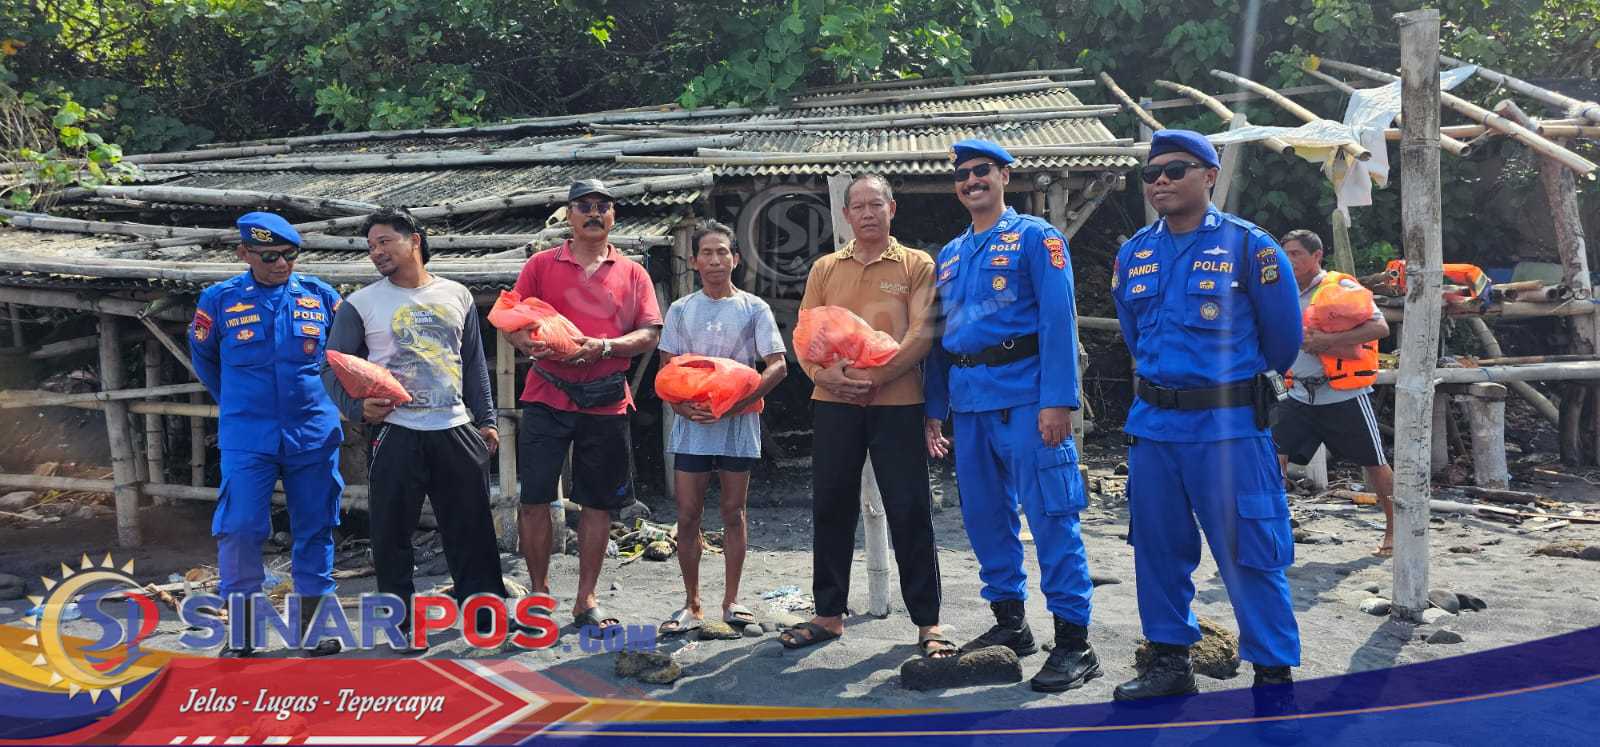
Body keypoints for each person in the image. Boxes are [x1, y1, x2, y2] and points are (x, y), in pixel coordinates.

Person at [1110, 130, 1304, 701]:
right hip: (1154, 428)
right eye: (1152, 174)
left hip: (1230, 430)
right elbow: (1133, 335)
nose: (1162, 181)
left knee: (1250, 550)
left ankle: (1272, 674)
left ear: (1210, 175)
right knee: (1157, 549)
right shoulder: (1134, 254)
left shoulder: (1252, 248)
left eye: (1176, 170)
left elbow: (1282, 344)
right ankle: (1169, 662)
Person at [924, 140, 1099, 690]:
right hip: (969, 403)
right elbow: (938, 342)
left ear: (1004, 176)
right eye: (963, 175)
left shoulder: (1035, 239)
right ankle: (1011, 626)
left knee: (1051, 515)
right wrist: (934, 411)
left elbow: (1057, 321)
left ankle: (1075, 643)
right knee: (984, 519)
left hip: (1027, 399)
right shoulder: (950, 255)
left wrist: (1059, 401)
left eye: (982, 172)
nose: (971, 181)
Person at [778, 174, 953, 659]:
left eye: (877, 204)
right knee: (831, 506)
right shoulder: (826, 268)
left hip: (898, 402)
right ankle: (828, 615)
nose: (868, 213)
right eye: (859, 206)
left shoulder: (917, 264)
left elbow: (923, 334)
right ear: (846, 215)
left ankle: (928, 622)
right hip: (833, 403)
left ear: (892, 209)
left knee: (910, 509)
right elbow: (804, 334)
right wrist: (823, 373)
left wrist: (878, 376)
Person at [321, 207, 508, 649]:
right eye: (370, 247)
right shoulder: (360, 304)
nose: (376, 253)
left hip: (455, 427)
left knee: (472, 528)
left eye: (384, 241)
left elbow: (474, 364)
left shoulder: (457, 295)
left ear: (415, 240)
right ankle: (400, 624)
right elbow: (329, 366)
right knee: (391, 531)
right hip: (396, 429)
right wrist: (357, 407)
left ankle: (484, 618)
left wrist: (486, 420)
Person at [508, 179, 662, 632]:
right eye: (584, 206)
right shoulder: (540, 264)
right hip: (546, 393)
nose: (594, 213)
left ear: (613, 216)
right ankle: (538, 596)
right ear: (569, 215)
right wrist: (524, 341)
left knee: (597, 503)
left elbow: (650, 332)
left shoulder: (633, 272)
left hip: (606, 398)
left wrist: (605, 346)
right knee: (534, 498)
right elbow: (511, 317)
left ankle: (586, 598)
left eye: (602, 207)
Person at [190, 211, 345, 657]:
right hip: (247, 436)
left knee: (315, 526)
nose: (281, 264)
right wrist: (240, 403)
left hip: (312, 432)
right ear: (244, 254)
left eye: (289, 255)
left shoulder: (320, 296)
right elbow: (205, 360)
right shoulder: (218, 300)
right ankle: (243, 634)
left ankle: (313, 630)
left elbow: (342, 358)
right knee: (239, 528)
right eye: (270, 256)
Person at [655, 221, 787, 634]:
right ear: (694, 261)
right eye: (707, 253)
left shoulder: (753, 308)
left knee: (734, 511)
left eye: (723, 252)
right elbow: (665, 372)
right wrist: (680, 404)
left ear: (736, 258)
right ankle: (692, 603)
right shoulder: (680, 310)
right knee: (689, 513)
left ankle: (731, 601)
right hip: (693, 424)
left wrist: (737, 403)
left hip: (737, 422)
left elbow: (778, 365)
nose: (715, 260)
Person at [1274, 229, 1394, 556]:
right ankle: (1273, 529)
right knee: (1270, 459)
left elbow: (1379, 327)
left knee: (1375, 464)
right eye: (1285, 254)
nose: (1290, 261)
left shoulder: (1340, 288)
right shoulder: (1281, 290)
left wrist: (1327, 342)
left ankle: (1395, 532)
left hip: (1341, 394)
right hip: (1297, 393)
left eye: (1297, 254)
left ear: (1317, 256)